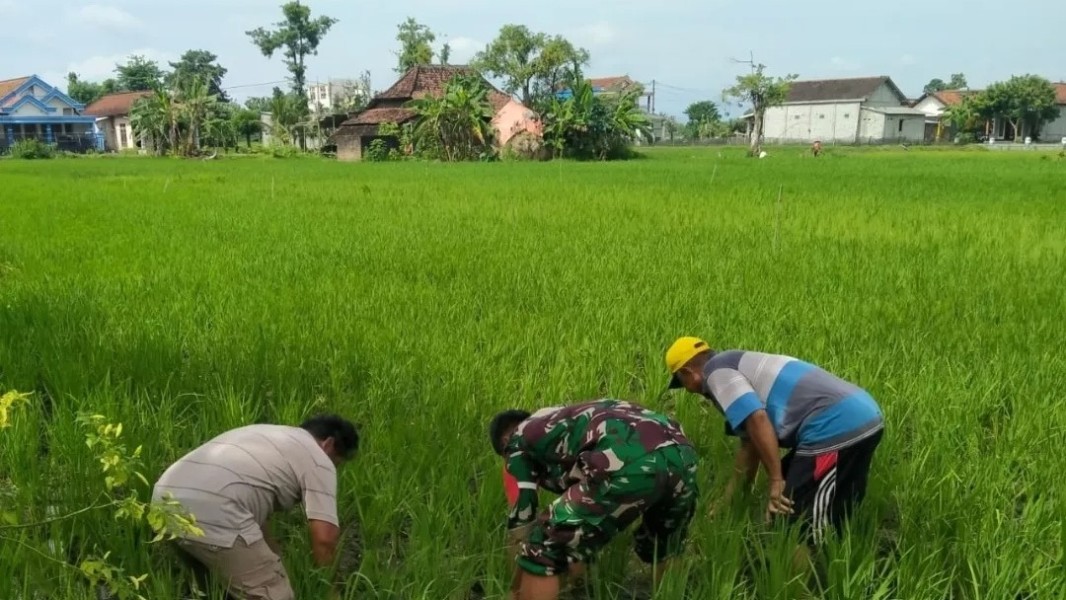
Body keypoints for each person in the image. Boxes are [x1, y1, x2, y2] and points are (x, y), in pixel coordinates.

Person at [664, 336, 883, 545]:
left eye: (683, 383)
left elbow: (758, 419)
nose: (690, 391)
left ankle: (799, 579)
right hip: (865, 414)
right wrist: (730, 500)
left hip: (833, 426)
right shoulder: (736, 363)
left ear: (687, 373)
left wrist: (776, 481)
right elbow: (751, 446)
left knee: (795, 521)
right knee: (835, 508)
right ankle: (836, 556)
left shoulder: (716, 374)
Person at [489, 399, 699, 600]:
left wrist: (515, 584)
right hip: (682, 453)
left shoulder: (517, 440)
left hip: (625, 457)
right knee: (664, 544)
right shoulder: (566, 420)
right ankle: (671, 593)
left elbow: (523, 515)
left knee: (544, 546)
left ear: (505, 443)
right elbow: (580, 518)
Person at [152, 414, 359, 600]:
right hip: (215, 511)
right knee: (277, 595)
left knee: (214, 591)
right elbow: (324, 539)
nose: (334, 469)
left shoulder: (268, 435)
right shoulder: (318, 458)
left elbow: (253, 519)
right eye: (337, 463)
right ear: (329, 444)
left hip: (164, 502)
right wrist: (332, 592)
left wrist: (274, 562)